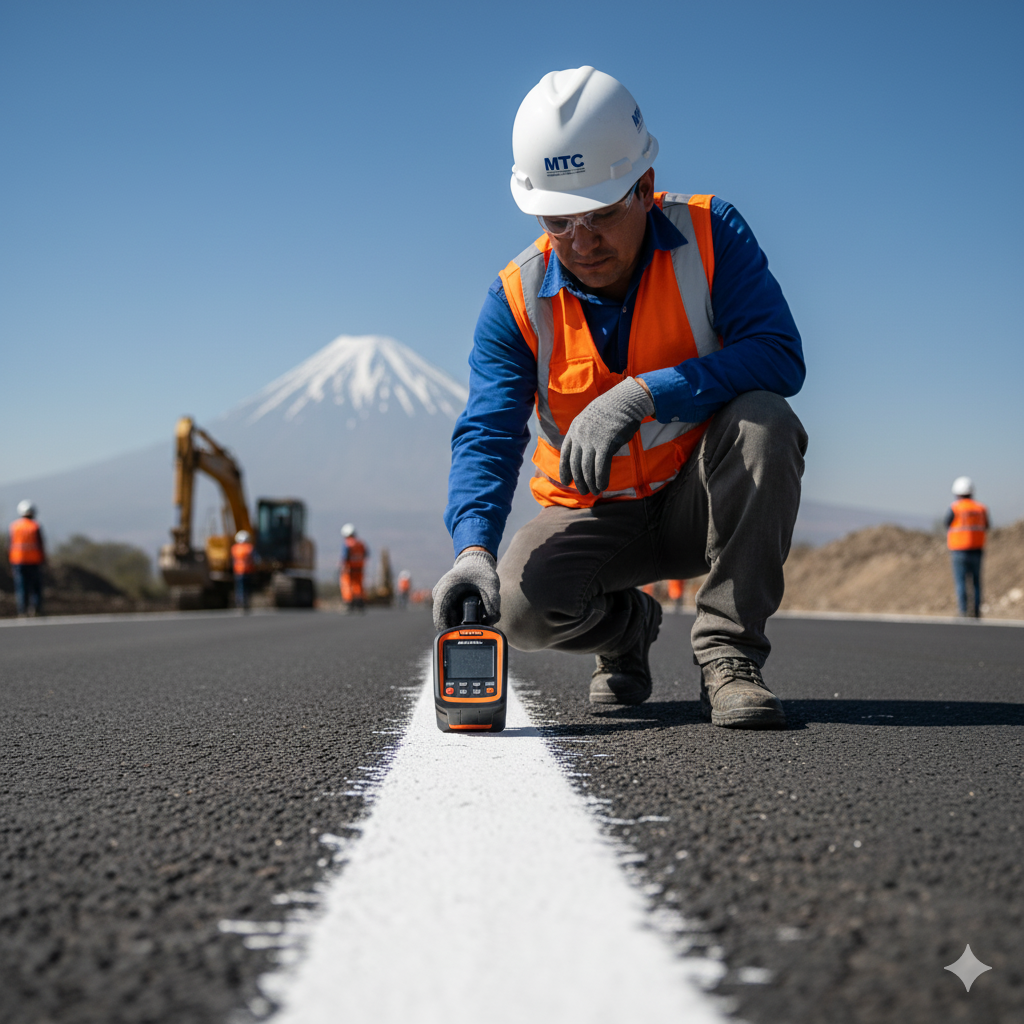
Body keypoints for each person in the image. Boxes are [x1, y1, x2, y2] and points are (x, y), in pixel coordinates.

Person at [433, 67, 807, 729]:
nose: (581, 243)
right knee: (519, 608)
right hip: (595, 514)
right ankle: (627, 628)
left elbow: (779, 354)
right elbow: (488, 433)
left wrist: (647, 394)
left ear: (645, 187)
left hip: (702, 500)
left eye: (601, 215)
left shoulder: (711, 236)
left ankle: (729, 656)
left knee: (765, 422)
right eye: (559, 222)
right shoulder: (515, 299)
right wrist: (472, 551)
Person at [945, 477, 988, 618]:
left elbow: (947, 523)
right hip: (977, 549)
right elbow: (987, 525)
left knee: (961, 582)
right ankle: (976, 612)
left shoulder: (955, 508)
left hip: (959, 550)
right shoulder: (981, 508)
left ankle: (963, 611)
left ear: (957, 493)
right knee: (976, 582)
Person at [8, 500, 46, 617]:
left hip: (18, 561)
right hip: (34, 561)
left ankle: (22, 610)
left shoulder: (14, 526)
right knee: (36, 587)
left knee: (21, 586)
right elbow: (40, 544)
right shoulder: (35, 526)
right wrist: (44, 560)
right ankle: (36, 609)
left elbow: (9, 545)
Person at [340, 524, 368, 613]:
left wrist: (343, 567)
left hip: (349, 569)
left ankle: (349, 604)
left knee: (346, 585)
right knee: (358, 586)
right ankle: (360, 603)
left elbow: (345, 557)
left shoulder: (348, 544)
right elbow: (366, 554)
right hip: (359, 569)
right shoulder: (360, 544)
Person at [231, 530, 258, 612]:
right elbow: (255, 559)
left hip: (238, 572)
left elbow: (232, 560)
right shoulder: (249, 547)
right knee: (247, 588)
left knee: (239, 588)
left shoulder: (235, 548)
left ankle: (240, 603)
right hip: (248, 571)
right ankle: (246, 603)